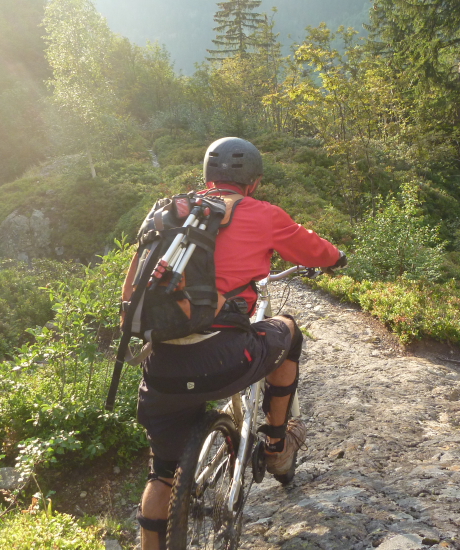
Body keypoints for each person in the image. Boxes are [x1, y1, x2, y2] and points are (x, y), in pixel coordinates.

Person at [122, 137, 346, 550]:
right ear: (254, 183)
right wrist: (337, 258)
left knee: (163, 474)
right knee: (289, 330)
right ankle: (277, 443)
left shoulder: (172, 215)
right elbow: (319, 252)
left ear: (206, 178)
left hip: (162, 365)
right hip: (224, 358)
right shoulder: (264, 214)